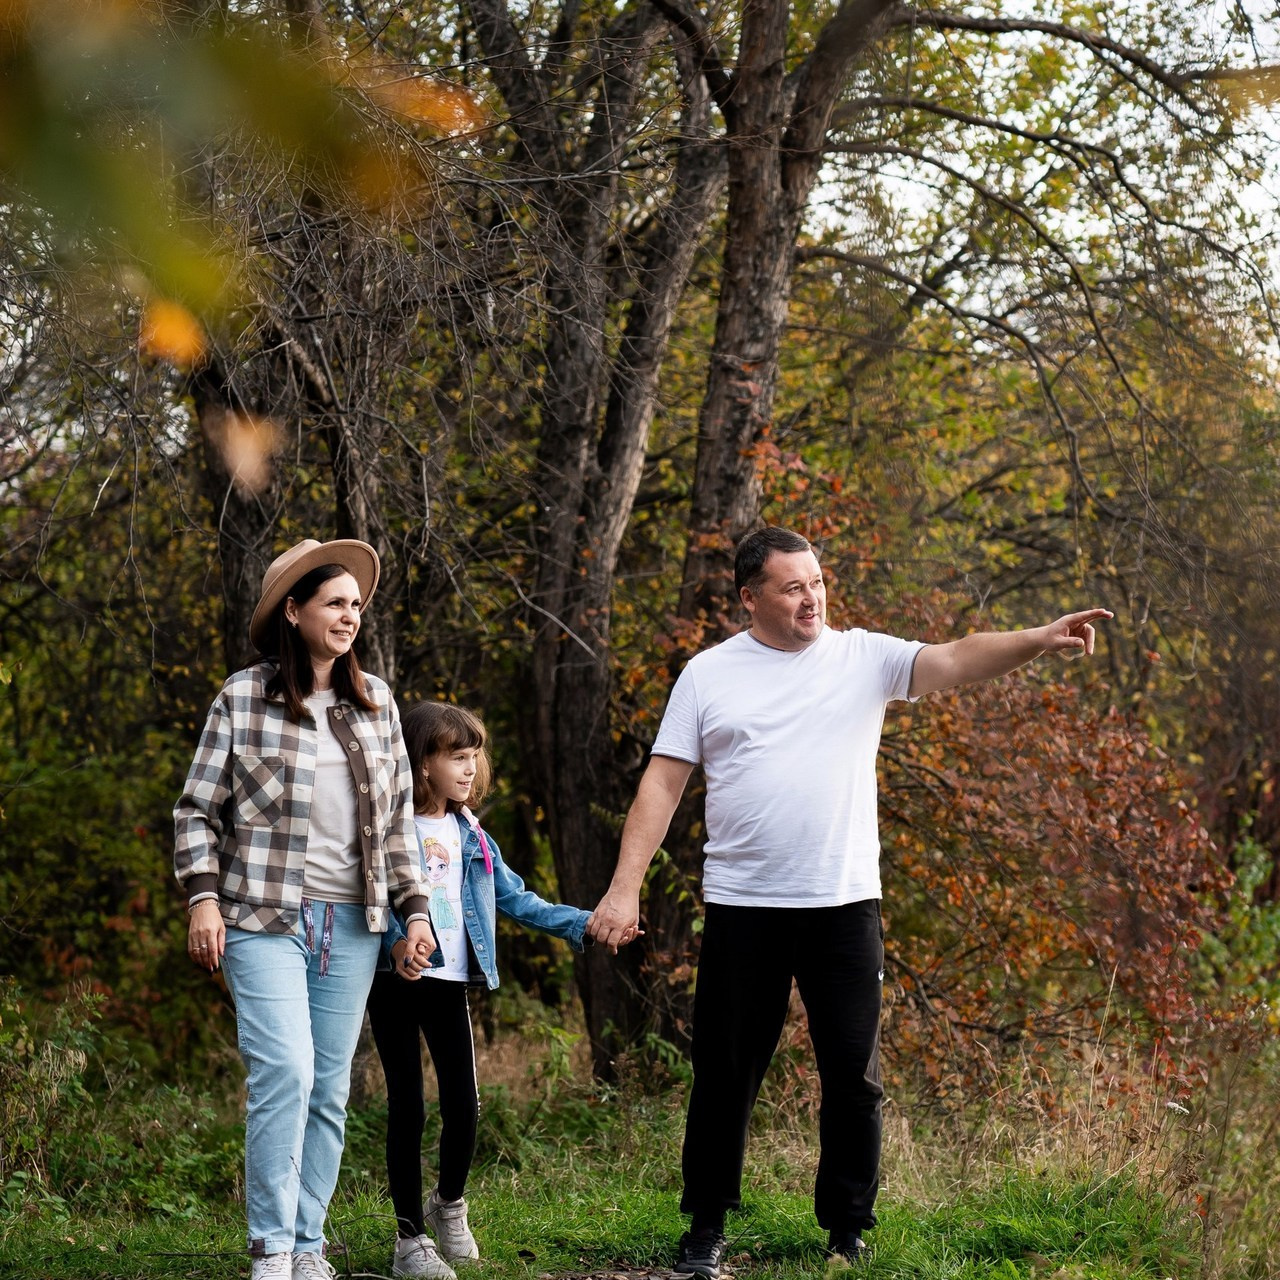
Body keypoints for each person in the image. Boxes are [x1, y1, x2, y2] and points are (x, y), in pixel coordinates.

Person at [588, 526, 1112, 1278]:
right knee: (726, 1073)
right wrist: (625, 886)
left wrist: (1038, 637)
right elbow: (663, 784)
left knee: (853, 1077)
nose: (813, 598)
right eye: (793, 587)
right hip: (744, 907)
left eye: (818, 581)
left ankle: (846, 1230)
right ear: (750, 598)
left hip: (843, 906)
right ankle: (706, 1227)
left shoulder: (865, 657)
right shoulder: (708, 675)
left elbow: (958, 656)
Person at [174, 538, 436, 1280]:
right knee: (285, 1072)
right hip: (261, 917)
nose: (350, 616)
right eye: (334, 603)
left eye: (356, 605)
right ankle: (271, 1248)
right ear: (293, 611)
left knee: (328, 1089)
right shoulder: (242, 697)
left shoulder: (377, 702)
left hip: (352, 923)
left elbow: (397, 824)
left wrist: (415, 914)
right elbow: (196, 810)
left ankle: (309, 1245)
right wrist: (202, 899)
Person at [366, 700, 617, 1279]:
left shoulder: (471, 833)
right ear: (422, 763)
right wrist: (398, 943)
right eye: (458, 756)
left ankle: (448, 1204)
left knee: (464, 1103)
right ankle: (409, 1238)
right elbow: (371, 899)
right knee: (408, 1106)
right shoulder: (390, 828)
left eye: (475, 757)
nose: (471, 768)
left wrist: (583, 924)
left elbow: (516, 898)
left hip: (450, 982)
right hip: (394, 981)